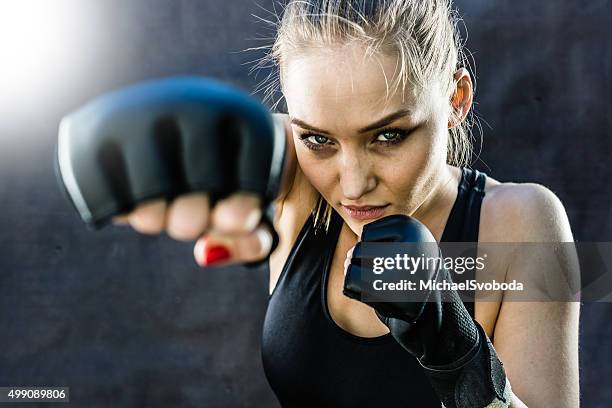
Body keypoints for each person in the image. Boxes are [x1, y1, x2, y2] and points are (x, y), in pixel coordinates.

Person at [76, 0, 579, 406]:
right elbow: (241, 144)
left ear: (455, 99)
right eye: (319, 140)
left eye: (388, 135)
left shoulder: (527, 223)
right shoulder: (295, 176)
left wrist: (458, 355)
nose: (352, 184)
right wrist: (145, 148)